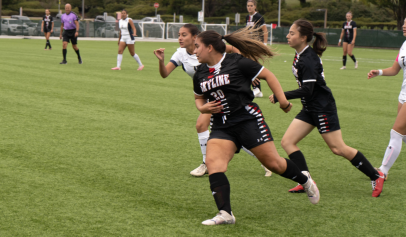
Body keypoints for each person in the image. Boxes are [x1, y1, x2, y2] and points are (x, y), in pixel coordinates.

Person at [193, 28, 319, 226]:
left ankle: (304, 180)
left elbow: (269, 76)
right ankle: (225, 214)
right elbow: (199, 98)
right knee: (214, 164)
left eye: (197, 46)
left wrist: (284, 101)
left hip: (248, 121)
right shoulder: (199, 72)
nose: (194, 51)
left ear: (210, 47)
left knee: (274, 164)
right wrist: (203, 107)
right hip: (222, 126)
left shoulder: (237, 61)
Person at [271, 19, 384, 197]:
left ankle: (376, 175)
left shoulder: (307, 59)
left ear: (303, 37)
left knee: (338, 148)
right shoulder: (301, 54)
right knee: (287, 142)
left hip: (322, 108)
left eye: (292, 33)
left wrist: (281, 96)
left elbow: (307, 90)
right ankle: (305, 181)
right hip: (310, 107)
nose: (288, 35)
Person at [154, 24, 272, 177]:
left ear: (195, 37)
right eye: (179, 35)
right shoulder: (180, 54)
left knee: (219, 129)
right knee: (219, 129)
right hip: (208, 97)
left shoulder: (209, 48)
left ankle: (210, 164)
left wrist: (246, 73)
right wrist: (161, 61)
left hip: (227, 94)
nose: (180, 38)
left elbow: (233, 52)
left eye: (184, 35)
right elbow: (165, 74)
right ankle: (260, 160)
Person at [367, 18, 406, 181]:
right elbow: (395, 69)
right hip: (403, 95)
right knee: (404, 135)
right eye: (403, 22)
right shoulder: (404, 45)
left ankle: (382, 171)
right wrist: (379, 72)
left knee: (396, 132)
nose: (403, 25)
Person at [245, 0, 268, 98]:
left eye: (251, 5)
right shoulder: (247, 17)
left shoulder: (259, 17)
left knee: (251, 65)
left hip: (255, 44)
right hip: (248, 44)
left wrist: (265, 44)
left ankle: (257, 89)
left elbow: (265, 30)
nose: (249, 7)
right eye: (248, 5)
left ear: (255, 7)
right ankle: (257, 89)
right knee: (250, 65)